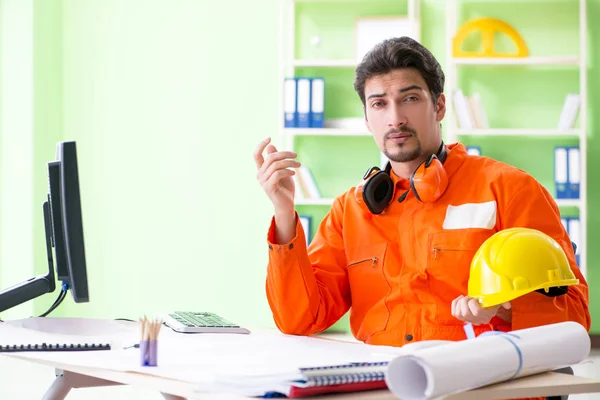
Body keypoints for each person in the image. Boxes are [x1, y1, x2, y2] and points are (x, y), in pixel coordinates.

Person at [254, 36, 590, 347]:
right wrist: (284, 214)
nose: (395, 118)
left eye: (410, 98)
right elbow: (299, 319)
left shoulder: (509, 189)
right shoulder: (350, 210)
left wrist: (503, 313)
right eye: (379, 104)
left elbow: (574, 315)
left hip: (481, 385)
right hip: (384, 385)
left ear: (439, 106)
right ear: (367, 119)